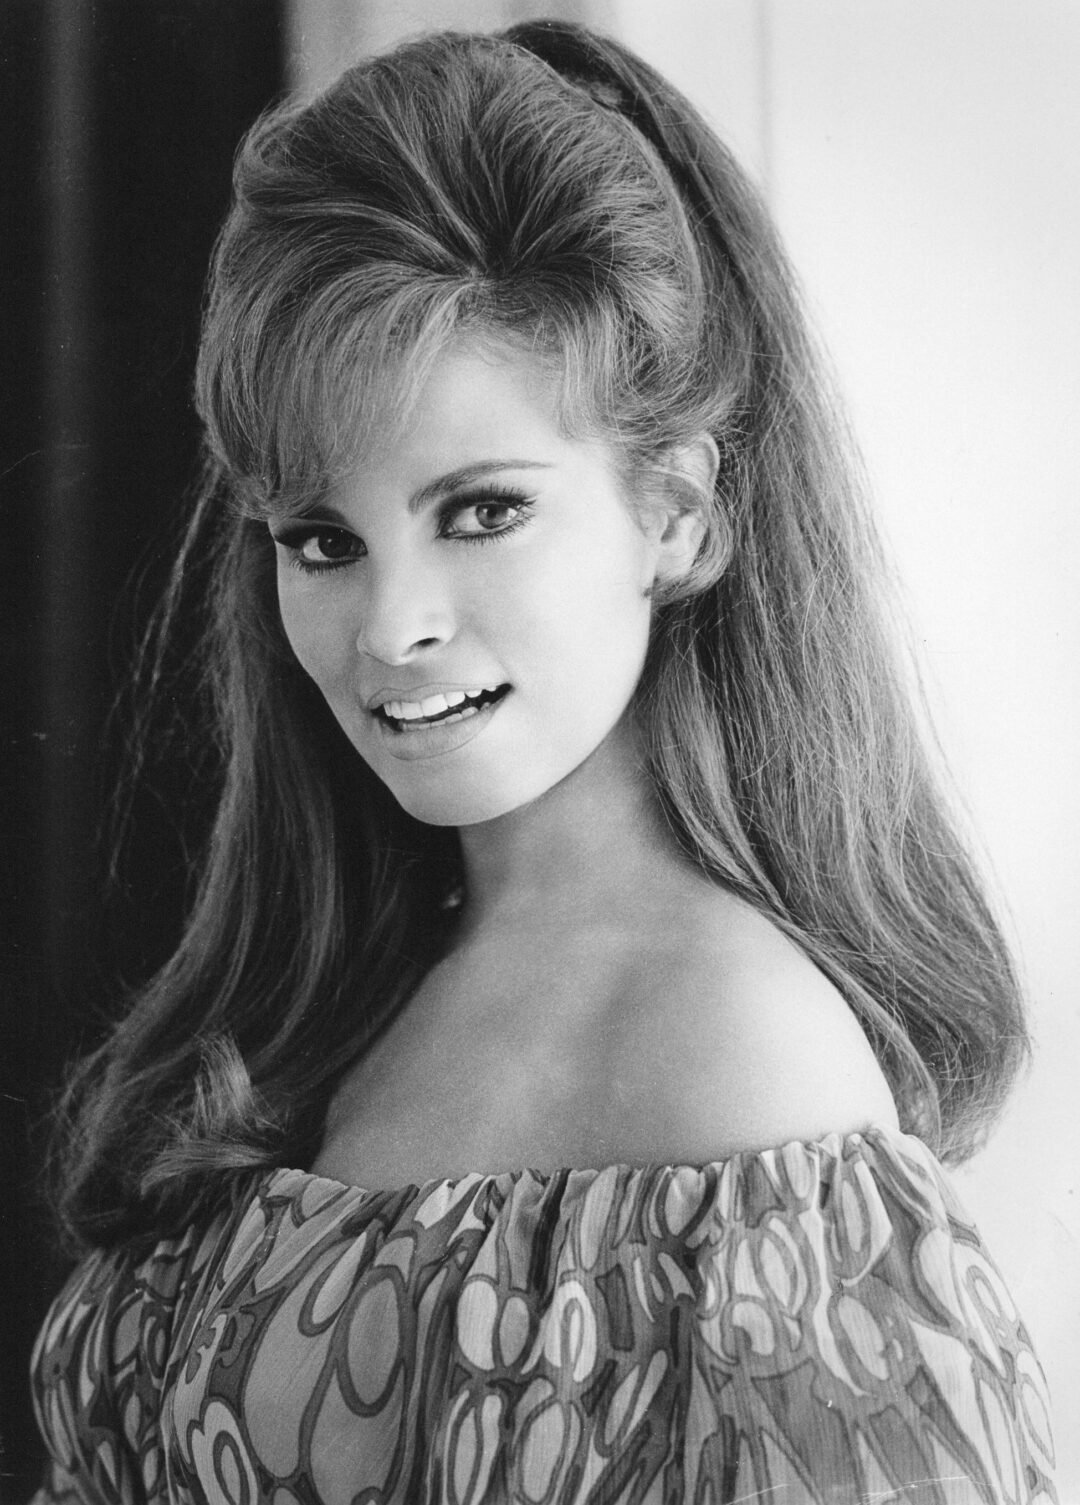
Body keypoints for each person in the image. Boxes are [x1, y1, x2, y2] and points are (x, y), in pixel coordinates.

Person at [29, 19, 1056, 1503]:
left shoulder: (749, 1071)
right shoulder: (324, 985)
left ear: (678, 515)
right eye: (323, 539)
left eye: (480, 510)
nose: (390, 627)